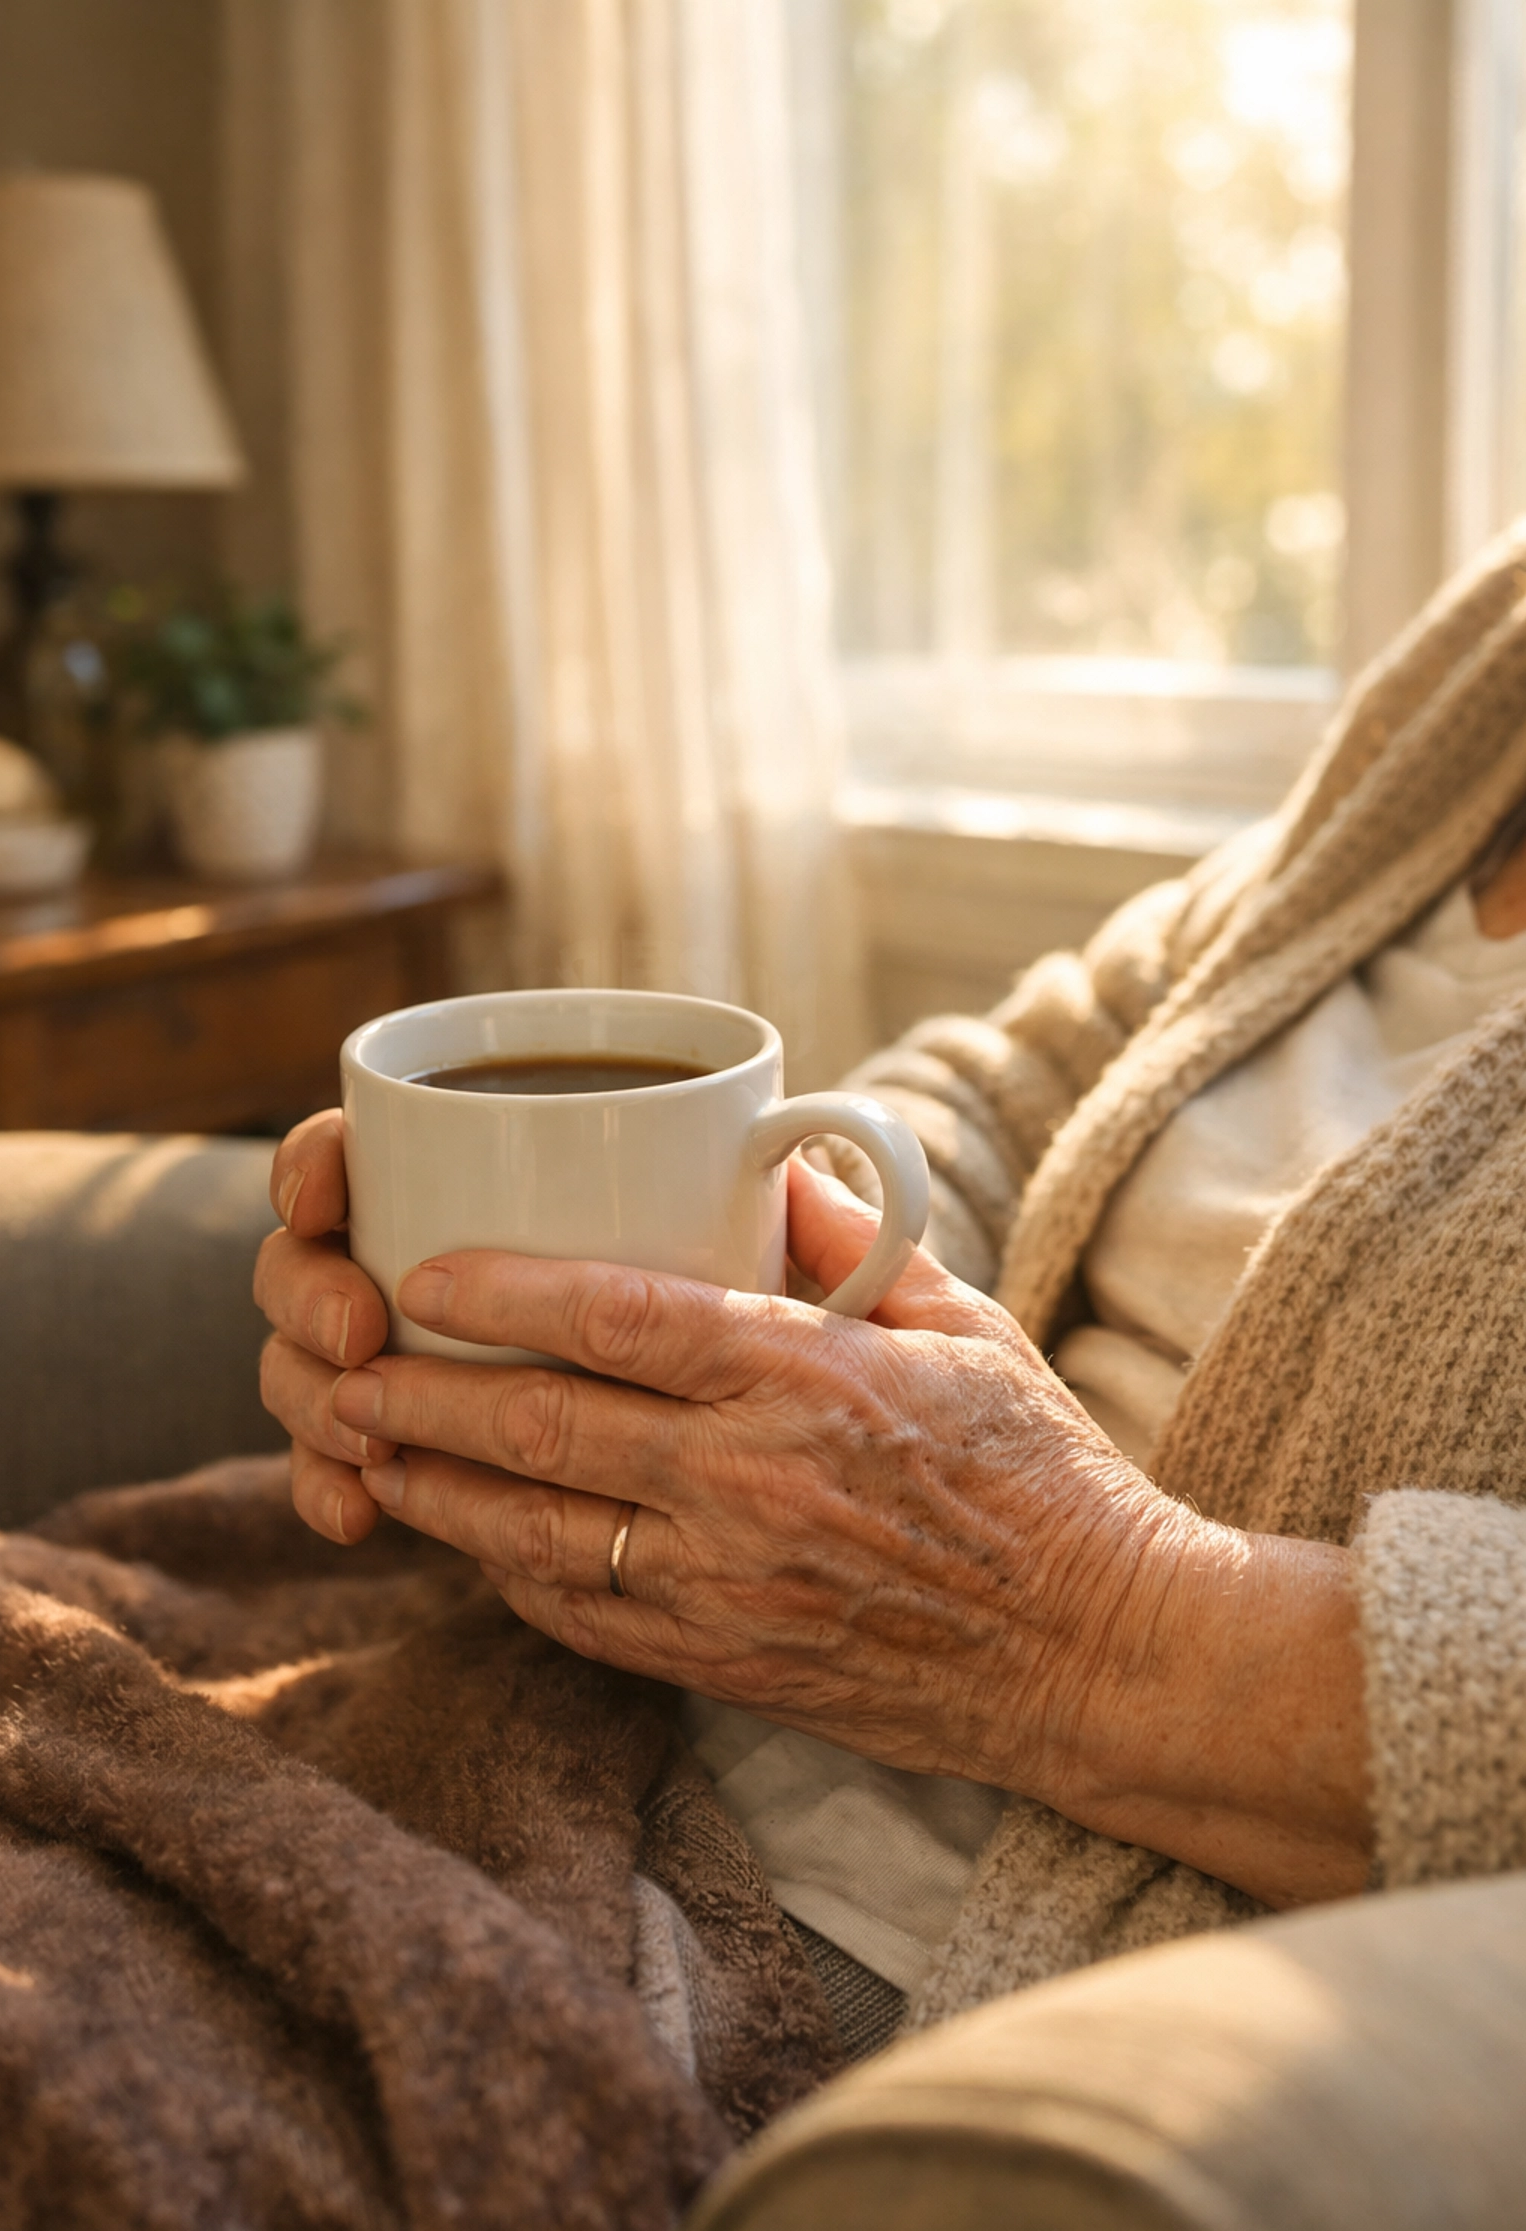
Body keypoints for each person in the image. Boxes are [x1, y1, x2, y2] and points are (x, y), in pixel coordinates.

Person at [258, 526, 1526, 2040]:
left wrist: (1087, 1624)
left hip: (947, 1962)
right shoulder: (1487, 665)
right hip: (583, 1700)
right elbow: (1026, 1080)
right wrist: (734, 1266)